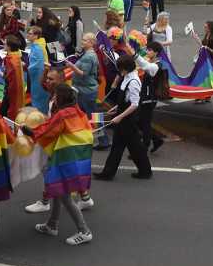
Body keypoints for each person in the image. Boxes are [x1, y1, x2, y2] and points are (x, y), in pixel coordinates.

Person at [23, 86, 95, 245]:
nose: (53, 99)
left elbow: (48, 132)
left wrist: (30, 133)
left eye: (55, 96)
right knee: (58, 188)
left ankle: (84, 231)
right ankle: (52, 224)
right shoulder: (77, 111)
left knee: (65, 195)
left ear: (61, 98)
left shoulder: (62, 115)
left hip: (66, 158)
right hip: (78, 157)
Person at [93, 54, 153, 180]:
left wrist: (119, 116)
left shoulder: (133, 82)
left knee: (129, 146)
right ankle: (143, 170)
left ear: (125, 68)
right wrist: (116, 109)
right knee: (126, 146)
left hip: (128, 120)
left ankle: (110, 173)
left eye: (120, 68)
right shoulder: (126, 77)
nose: (119, 71)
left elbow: (135, 104)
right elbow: (126, 99)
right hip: (124, 117)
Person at [67, 33, 109, 148]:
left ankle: (102, 140)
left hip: (86, 90)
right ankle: (99, 139)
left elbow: (83, 74)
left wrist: (71, 65)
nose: (82, 41)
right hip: (86, 89)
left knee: (92, 115)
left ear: (91, 43)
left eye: (84, 40)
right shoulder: (89, 54)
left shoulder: (89, 56)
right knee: (92, 115)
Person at [139, 42, 165, 153]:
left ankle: (144, 148)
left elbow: (146, 67)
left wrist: (135, 55)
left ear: (156, 53)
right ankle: (156, 139)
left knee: (144, 122)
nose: (147, 52)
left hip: (150, 98)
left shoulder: (157, 65)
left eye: (150, 50)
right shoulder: (150, 62)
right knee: (142, 122)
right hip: (145, 96)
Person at [2, 34, 28, 119]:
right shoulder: (17, 56)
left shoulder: (10, 60)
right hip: (18, 88)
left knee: (4, 111)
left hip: (11, 91)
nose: (3, 45)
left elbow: (9, 78)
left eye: (5, 44)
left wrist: (3, 75)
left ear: (9, 47)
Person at [27, 27, 50, 112]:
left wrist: (28, 68)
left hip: (38, 77)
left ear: (36, 36)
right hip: (39, 75)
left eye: (30, 34)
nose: (28, 35)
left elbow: (38, 64)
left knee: (38, 96)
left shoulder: (37, 48)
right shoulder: (38, 45)